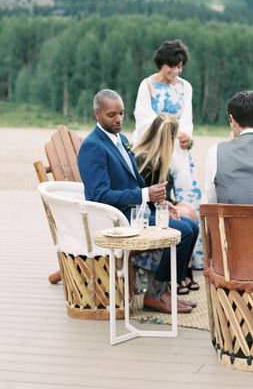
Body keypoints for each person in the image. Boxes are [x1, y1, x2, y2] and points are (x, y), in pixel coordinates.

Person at [77, 89, 198, 314]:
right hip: (117, 220)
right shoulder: (93, 146)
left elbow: (137, 182)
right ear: (96, 113)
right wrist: (145, 196)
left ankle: (164, 289)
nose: (119, 119)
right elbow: (99, 196)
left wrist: (161, 203)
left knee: (191, 225)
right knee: (184, 232)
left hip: (137, 211)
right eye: (111, 115)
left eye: (121, 113)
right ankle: (155, 294)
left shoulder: (121, 140)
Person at [132, 39, 203, 268]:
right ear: (161, 64)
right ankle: (153, 261)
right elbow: (143, 119)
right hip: (155, 149)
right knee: (162, 199)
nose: (176, 71)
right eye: (171, 66)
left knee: (187, 199)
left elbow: (187, 118)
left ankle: (187, 261)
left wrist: (185, 135)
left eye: (180, 66)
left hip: (179, 152)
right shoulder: (148, 85)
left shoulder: (185, 86)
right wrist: (167, 133)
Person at [133, 114, 200, 295]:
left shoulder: (156, 157)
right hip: (142, 214)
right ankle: (159, 288)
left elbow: (160, 195)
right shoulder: (146, 161)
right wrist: (165, 206)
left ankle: (177, 279)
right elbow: (141, 196)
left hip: (155, 208)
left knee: (192, 225)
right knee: (184, 230)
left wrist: (168, 204)